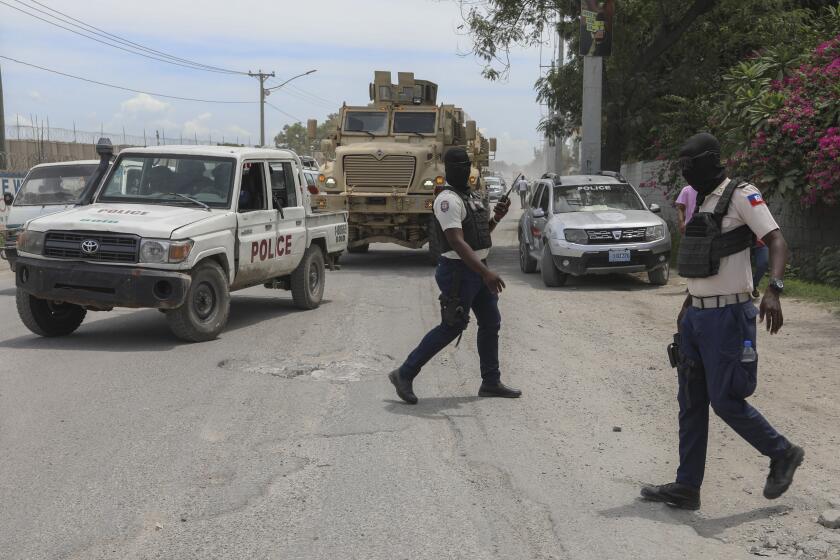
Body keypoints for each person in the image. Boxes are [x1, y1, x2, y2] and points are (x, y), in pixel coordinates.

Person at [641, 132, 803, 510]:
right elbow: (703, 260)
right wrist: (686, 308)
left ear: (712, 160)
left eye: (690, 164)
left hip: (729, 316)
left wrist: (774, 290)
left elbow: (777, 241)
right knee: (691, 402)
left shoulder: (743, 195)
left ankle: (782, 453)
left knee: (726, 400)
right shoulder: (700, 200)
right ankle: (686, 487)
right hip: (696, 316)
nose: (685, 172)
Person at [388, 147, 521, 404]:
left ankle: (490, 381)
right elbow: (457, 243)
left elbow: (479, 236)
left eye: (466, 165)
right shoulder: (447, 200)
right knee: (452, 326)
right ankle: (404, 373)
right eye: (458, 166)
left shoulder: (471, 197)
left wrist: (497, 217)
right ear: (448, 170)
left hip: (477, 268)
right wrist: (486, 273)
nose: (463, 170)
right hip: (459, 272)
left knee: (491, 322)